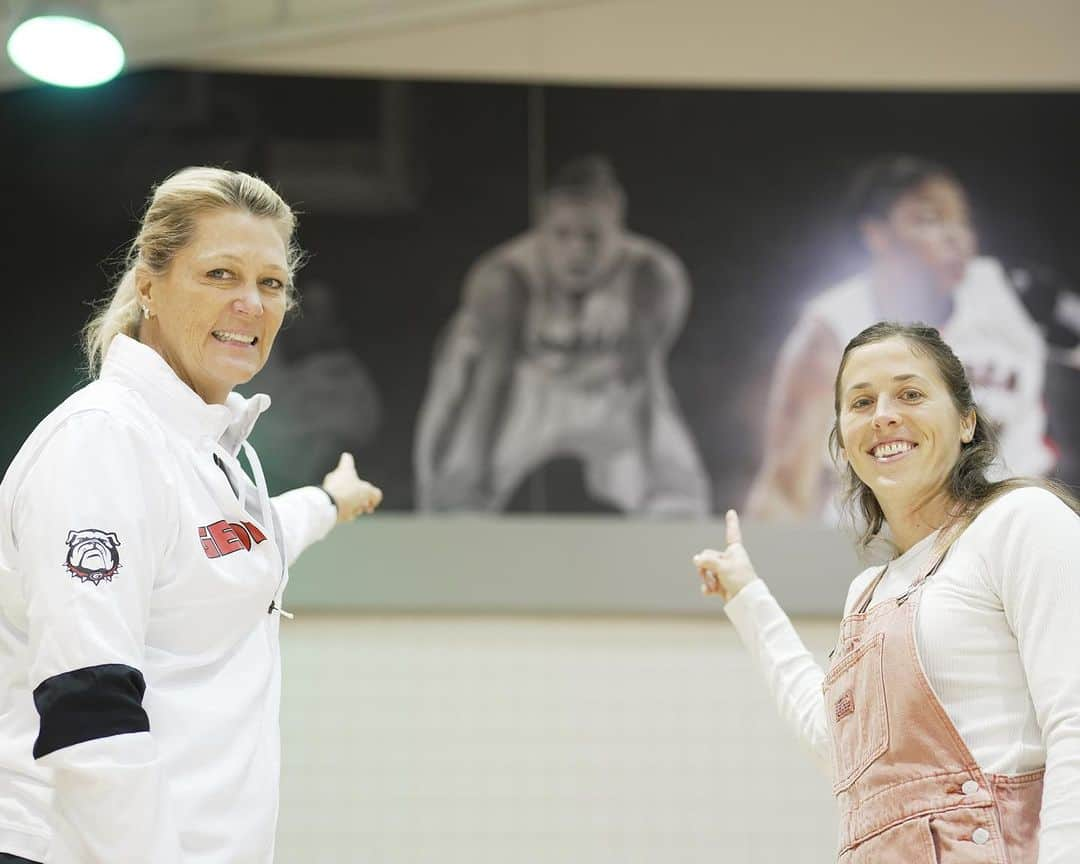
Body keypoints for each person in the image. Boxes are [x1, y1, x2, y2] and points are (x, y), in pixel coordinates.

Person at [0, 167, 382, 864]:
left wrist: (331, 501)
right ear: (149, 284)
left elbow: (245, 552)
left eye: (271, 284)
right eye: (220, 275)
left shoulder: (213, 449)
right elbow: (89, 712)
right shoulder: (103, 442)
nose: (251, 304)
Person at [694, 322, 1080, 862]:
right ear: (844, 440)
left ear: (967, 420)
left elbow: (1076, 723)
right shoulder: (868, 592)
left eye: (911, 394)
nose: (883, 416)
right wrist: (746, 596)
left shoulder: (1022, 522)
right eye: (861, 402)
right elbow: (839, 749)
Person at [747, 155, 1055, 521]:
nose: (956, 235)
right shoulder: (831, 328)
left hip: (1012, 534)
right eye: (930, 219)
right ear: (875, 234)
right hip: (879, 547)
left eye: (963, 220)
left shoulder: (1017, 294)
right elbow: (784, 487)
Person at [414, 155, 710, 516]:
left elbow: (645, 378)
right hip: (516, 387)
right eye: (562, 235)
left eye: (591, 237)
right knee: (456, 498)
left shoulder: (654, 275)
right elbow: (492, 380)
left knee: (679, 499)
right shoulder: (500, 277)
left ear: (617, 226)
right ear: (542, 227)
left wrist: (661, 477)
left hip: (609, 387)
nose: (577, 251)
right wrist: (468, 471)